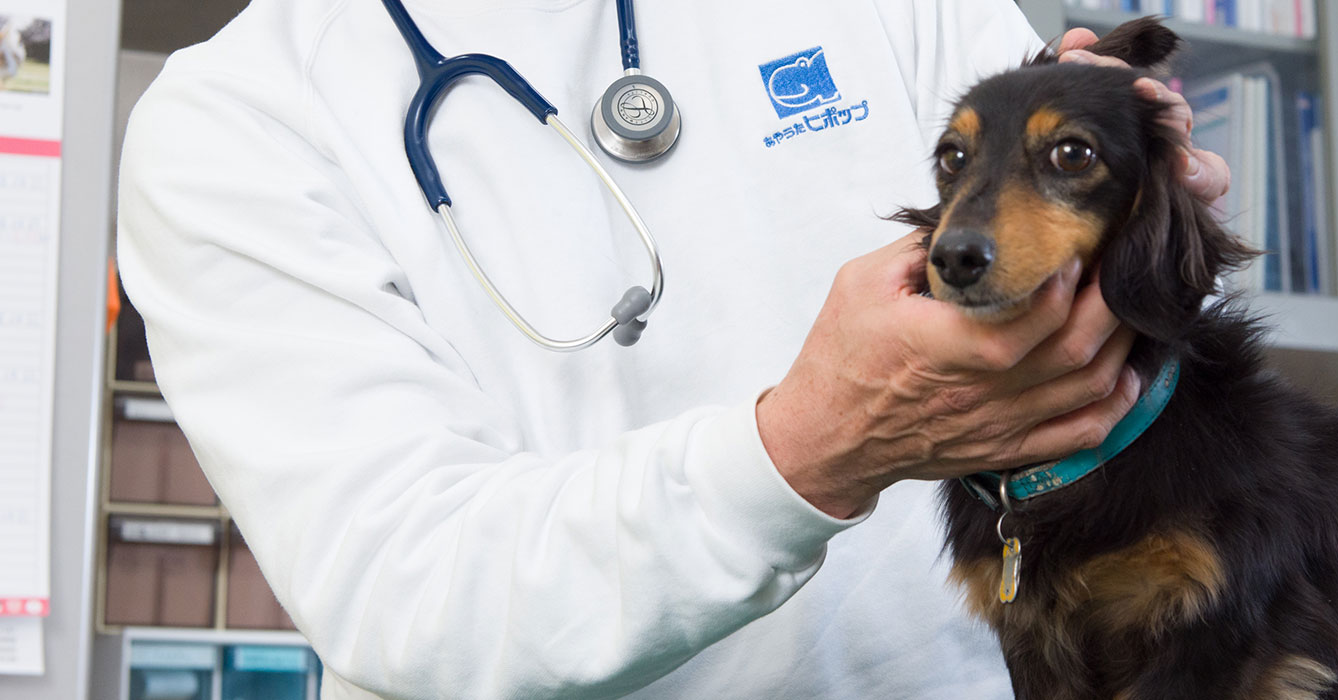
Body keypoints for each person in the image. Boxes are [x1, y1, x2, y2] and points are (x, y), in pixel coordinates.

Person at [116, 1, 1228, 697]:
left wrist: (1135, 194)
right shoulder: (236, 123)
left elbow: (1111, 371)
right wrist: (803, 450)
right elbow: (407, 591)